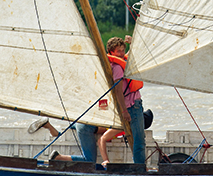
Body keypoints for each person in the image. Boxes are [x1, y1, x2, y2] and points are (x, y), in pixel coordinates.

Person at [107, 35, 146, 165]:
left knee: (138, 140)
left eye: (123, 50)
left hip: (134, 105)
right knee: (139, 140)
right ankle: (139, 169)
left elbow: (129, 55)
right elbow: (118, 91)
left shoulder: (120, 61)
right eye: (118, 51)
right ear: (111, 52)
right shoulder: (117, 67)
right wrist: (124, 111)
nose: (121, 53)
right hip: (132, 106)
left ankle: (138, 166)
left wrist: (131, 43)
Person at [28, 118, 101, 163]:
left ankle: (49, 126)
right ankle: (58, 157)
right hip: (85, 127)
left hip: (78, 121)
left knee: (61, 133)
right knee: (90, 161)